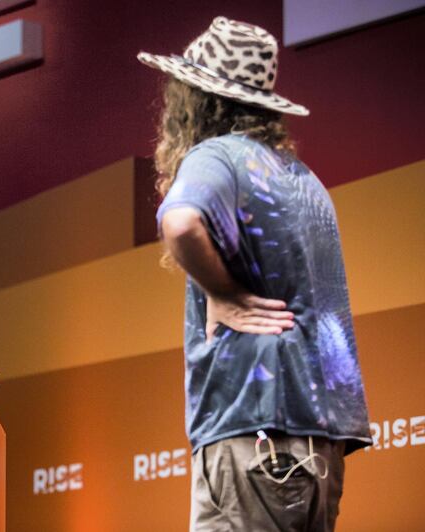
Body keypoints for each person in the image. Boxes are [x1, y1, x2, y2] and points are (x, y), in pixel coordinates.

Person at [137, 17, 371, 531]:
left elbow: (180, 223)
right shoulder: (303, 179)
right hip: (317, 445)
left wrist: (224, 294)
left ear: (195, 101)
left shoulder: (216, 155)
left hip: (254, 432)